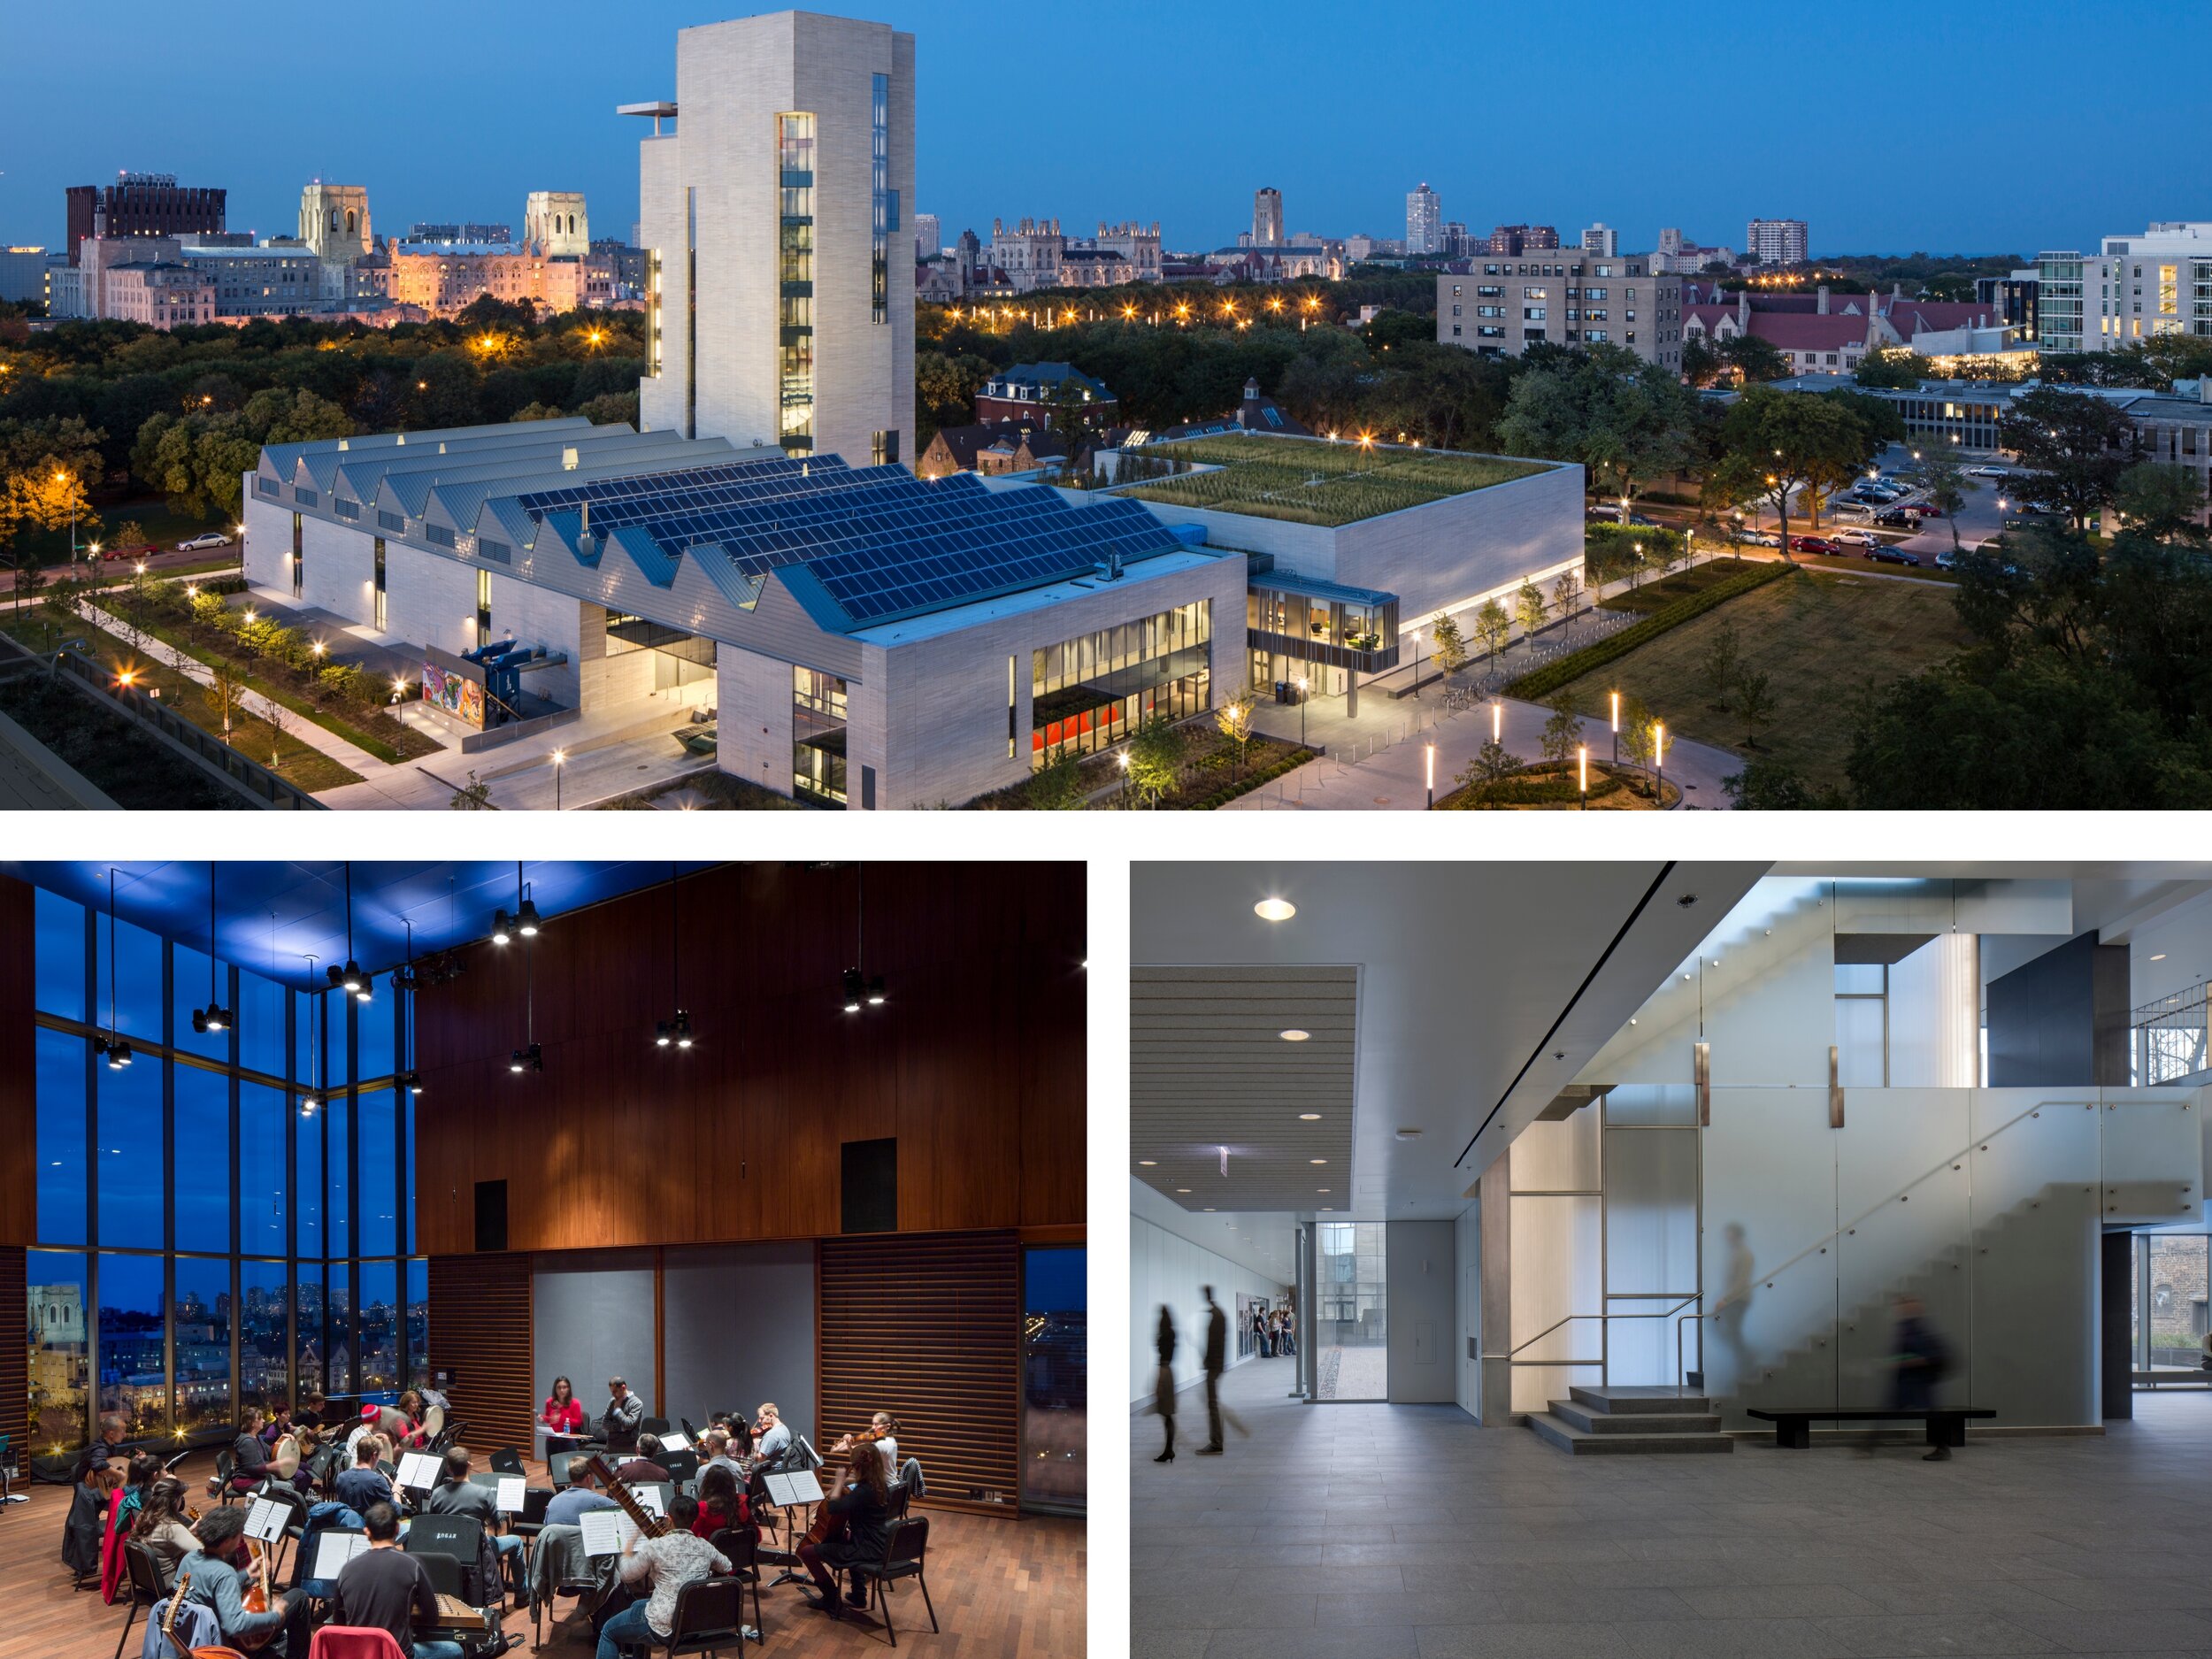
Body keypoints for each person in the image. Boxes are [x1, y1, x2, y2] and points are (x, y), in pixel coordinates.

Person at [598, 1494, 733, 1659]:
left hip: (663, 1628)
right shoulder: (705, 1546)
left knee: (607, 1631)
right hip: (694, 1624)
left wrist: (628, 1546)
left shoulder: (657, 1545)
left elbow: (626, 1575)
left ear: (669, 1519)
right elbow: (727, 1565)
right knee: (637, 1605)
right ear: (694, 1521)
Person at [334, 1500, 461, 1659]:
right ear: (397, 1529)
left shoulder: (346, 1569)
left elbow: (338, 1621)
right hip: (397, 1654)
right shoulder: (412, 1565)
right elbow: (432, 1617)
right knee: (454, 1650)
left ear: (366, 1531)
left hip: (359, 1654)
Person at [795, 1432, 891, 1620]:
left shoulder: (863, 1491)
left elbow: (833, 1507)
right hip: (880, 1542)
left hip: (866, 1549)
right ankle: (858, 1594)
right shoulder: (882, 1486)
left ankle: (831, 1597)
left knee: (807, 1552)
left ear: (859, 1467)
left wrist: (839, 1482)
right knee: (846, 1537)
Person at [175, 1503, 289, 1653]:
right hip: (223, 1643)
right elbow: (235, 1626)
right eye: (239, 1535)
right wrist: (275, 1616)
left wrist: (247, 1573)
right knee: (298, 1598)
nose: (241, 1538)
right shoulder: (224, 1572)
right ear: (226, 1541)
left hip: (191, 1636)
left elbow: (212, 1583)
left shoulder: (189, 1558)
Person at [420, 1446, 526, 1578]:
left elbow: (432, 1523)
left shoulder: (437, 1494)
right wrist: (485, 1521)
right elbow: (498, 1525)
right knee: (516, 1542)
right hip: (477, 1551)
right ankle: (522, 1595)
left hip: (446, 1549)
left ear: (448, 1469)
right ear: (469, 1465)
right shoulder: (483, 1494)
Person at [1884, 1294, 1954, 1462]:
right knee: (1924, 1410)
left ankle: (1943, 1448)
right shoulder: (1907, 1327)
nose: (1903, 1308)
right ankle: (1867, 1445)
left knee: (1931, 1411)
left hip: (1920, 1379)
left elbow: (1928, 1355)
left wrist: (1908, 1361)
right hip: (1911, 1379)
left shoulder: (1919, 1329)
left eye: (1908, 1305)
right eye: (1902, 1305)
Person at [128, 1476, 200, 1587]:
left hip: (147, 1582)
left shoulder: (143, 1519)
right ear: (175, 1501)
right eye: (181, 1498)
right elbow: (202, 1551)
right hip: (170, 1584)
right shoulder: (171, 1527)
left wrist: (189, 1531)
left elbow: (164, 1540)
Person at [1715, 1222, 1756, 1379]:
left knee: (1733, 1332)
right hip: (1732, 1299)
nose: (1727, 1237)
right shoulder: (1735, 1253)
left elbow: (1741, 1282)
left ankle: (1747, 1362)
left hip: (1739, 1300)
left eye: (1730, 1234)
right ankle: (1747, 1358)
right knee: (1727, 1331)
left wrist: (1725, 1298)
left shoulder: (1745, 1254)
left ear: (1737, 1235)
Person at [830, 1412, 900, 1486]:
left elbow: (857, 1461)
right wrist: (848, 1445)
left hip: (882, 1487)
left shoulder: (882, 1444)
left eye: (876, 1424)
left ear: (887, 1426)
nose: (873, 1427)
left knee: (838, 1484)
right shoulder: (890, 1440)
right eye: (873, 1424)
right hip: (885, 1483)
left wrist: (848, 1446)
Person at [335, 1433, 396, 1517]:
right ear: (374, 1455)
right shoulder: (377, 1480)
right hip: (369, 1527)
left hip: (346, 1525)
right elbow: (396, 1511)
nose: (378, 1461)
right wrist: (396, 1491)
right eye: (379, 1457)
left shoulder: (341, 1478)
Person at [693, 1463, 752, 1547]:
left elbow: (692, 1536)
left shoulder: (704, 1508)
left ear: (706, 1484)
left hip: (709, 1556)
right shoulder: (742, 1504)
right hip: (739, 1556)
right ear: (732, 1484)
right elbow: (758, 1536)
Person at [1198, 1286, 1227, 1455]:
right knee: (1213, 1403)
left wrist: (1210, 1363)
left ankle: (1216, 1442)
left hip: (1214, 1366)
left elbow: (1215, 1344)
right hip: (1215, 1365)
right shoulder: (1216, 1314)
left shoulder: (1216, 1316)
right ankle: (1216, 1441)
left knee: (1212, 1403)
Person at [601, 1377, 646, 1453]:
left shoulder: (636, 1403)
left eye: (615, 1391)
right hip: (611, 1445)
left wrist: (618, 1410)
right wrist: (621, 1428)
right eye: (612, 1392)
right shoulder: (612, 1401)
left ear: (623, 1387)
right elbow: (604, 1423)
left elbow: (629, 1424)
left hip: (628, 1447)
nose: (613, 1394)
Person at [541, 1375, 586, 1440]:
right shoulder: (549, 1402)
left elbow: (578, 1422)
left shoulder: (575, 1403)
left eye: (564, 1387)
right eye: (559, 1388)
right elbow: (549, 1419)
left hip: (568, 1440)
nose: (561, 1390)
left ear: (568, 1388)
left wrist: (561, 1409)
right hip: (552, 1439)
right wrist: (543, 1418)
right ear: (555, 1389)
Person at [752, 1402, 792, 1466]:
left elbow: (760, 1459)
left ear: (771, 1416)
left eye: (762, 1418)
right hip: (780, 1468)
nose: (759, 1421)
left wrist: (748, 1453)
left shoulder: (771, 1435)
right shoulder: (784, 1428)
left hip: (770, 1471)